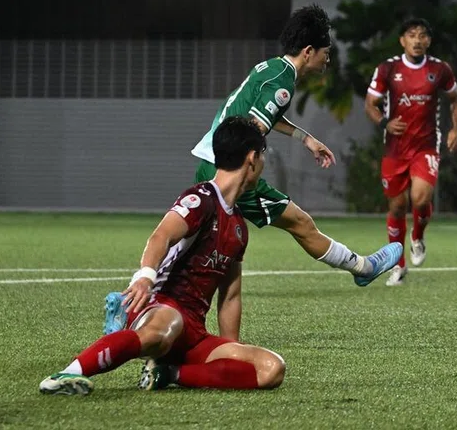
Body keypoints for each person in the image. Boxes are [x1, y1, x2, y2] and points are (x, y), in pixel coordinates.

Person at [42, 117, 291, 394]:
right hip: (160, 306)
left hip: (193, 332)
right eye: (263, 155)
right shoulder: (201, 198)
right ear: (252, 158)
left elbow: (230, 296)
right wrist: (145, 277)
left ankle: (167, 373)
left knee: (271, 368)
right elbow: (162, 235)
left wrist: (231, 348)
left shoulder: (239, 228)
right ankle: (64, 375)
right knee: (164, 330)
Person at [189, 4, 401, 287]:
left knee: (191, 240)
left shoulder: (272, 68)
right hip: (232, 173)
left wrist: (306, 139)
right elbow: (253, 131)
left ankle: (136, 298)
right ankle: (364, 268)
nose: (328, 60)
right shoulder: (283, 85)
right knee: (299, 223)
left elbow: (262, 115)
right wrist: (250, 174)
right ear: (308, 51)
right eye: (326, 53)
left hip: (212, 165)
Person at [364, 18, 457, 286]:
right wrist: (385, 122)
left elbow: (455, 99)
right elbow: (371, 104)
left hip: (426, 145)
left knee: (421, 199)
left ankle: (417, 237)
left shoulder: (439, 69)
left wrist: (456, 129)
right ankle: (398, 265)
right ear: (402, 40)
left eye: (422, 35)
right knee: (397, 206)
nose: (417, 40)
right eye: (412, 35)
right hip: (395, 148)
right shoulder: (388, 69)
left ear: (428, 41)